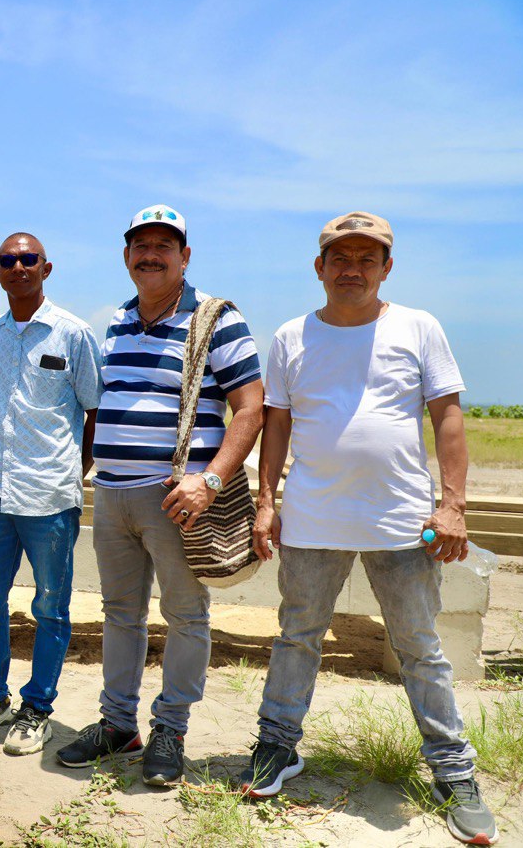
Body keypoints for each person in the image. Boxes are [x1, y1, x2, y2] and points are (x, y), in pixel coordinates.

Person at [243, 212, 496, 845]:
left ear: (387, 267)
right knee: (297, 636)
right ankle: (277, 747)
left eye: (367, 258)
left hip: (404, 521)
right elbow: (276, 424)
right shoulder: (291, 336)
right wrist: (265, 502)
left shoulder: (419, 327)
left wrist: (454, 506)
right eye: (340, 257)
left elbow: (448, 417)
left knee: (420, 649)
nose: (352, 268)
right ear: (319, 267)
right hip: (311, 518)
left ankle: (453, 771)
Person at [55, 206, 263, 787]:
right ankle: (118, 724)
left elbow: (250, 407)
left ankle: (170, 729)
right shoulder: (118, 320)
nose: (151, 254)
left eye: (163, 246)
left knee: (185, 616)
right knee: (120, 615)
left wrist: (212, 479)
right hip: (113, 496)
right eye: (140, 245)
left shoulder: (214, 318)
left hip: (177, 497)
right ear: (126, 256)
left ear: (185, 257)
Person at [0, 234, 101, 758]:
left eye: (29, 260)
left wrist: (77, 469)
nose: (20, 267)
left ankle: (38, 709)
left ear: (45, 268)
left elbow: (95, 409)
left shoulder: (73, 333)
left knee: (50, 607)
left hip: (50, 497)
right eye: (9, 261)